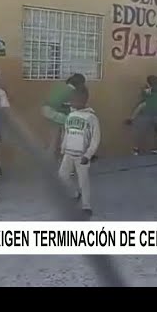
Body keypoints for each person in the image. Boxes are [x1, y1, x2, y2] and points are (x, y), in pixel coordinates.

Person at [59, 86, 101, 216]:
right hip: (68, 153)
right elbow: (66, 133)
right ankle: (74, 193)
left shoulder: (91, 117)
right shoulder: (70, 115)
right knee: (62, 176)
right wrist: (62, 149)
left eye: (76, 100)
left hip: (82, 155)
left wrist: (88, 155)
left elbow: (95, 138)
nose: (73, 102)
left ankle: (86, 206)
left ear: (84, 100)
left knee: (83, 180)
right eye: (72, 100)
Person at [42, 73, 86, 160]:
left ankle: (52, 156)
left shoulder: (61, 87)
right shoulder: (72, 91)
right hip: (53, 111)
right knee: (65, 134)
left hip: (46, 109)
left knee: (55, 137)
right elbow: (71, 107)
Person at [127, 76, 157, 155]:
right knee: (142, 131)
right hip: (149, 114)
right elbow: (143, 102)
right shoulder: (150, 91)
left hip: (156, 114)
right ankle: (136, 148)